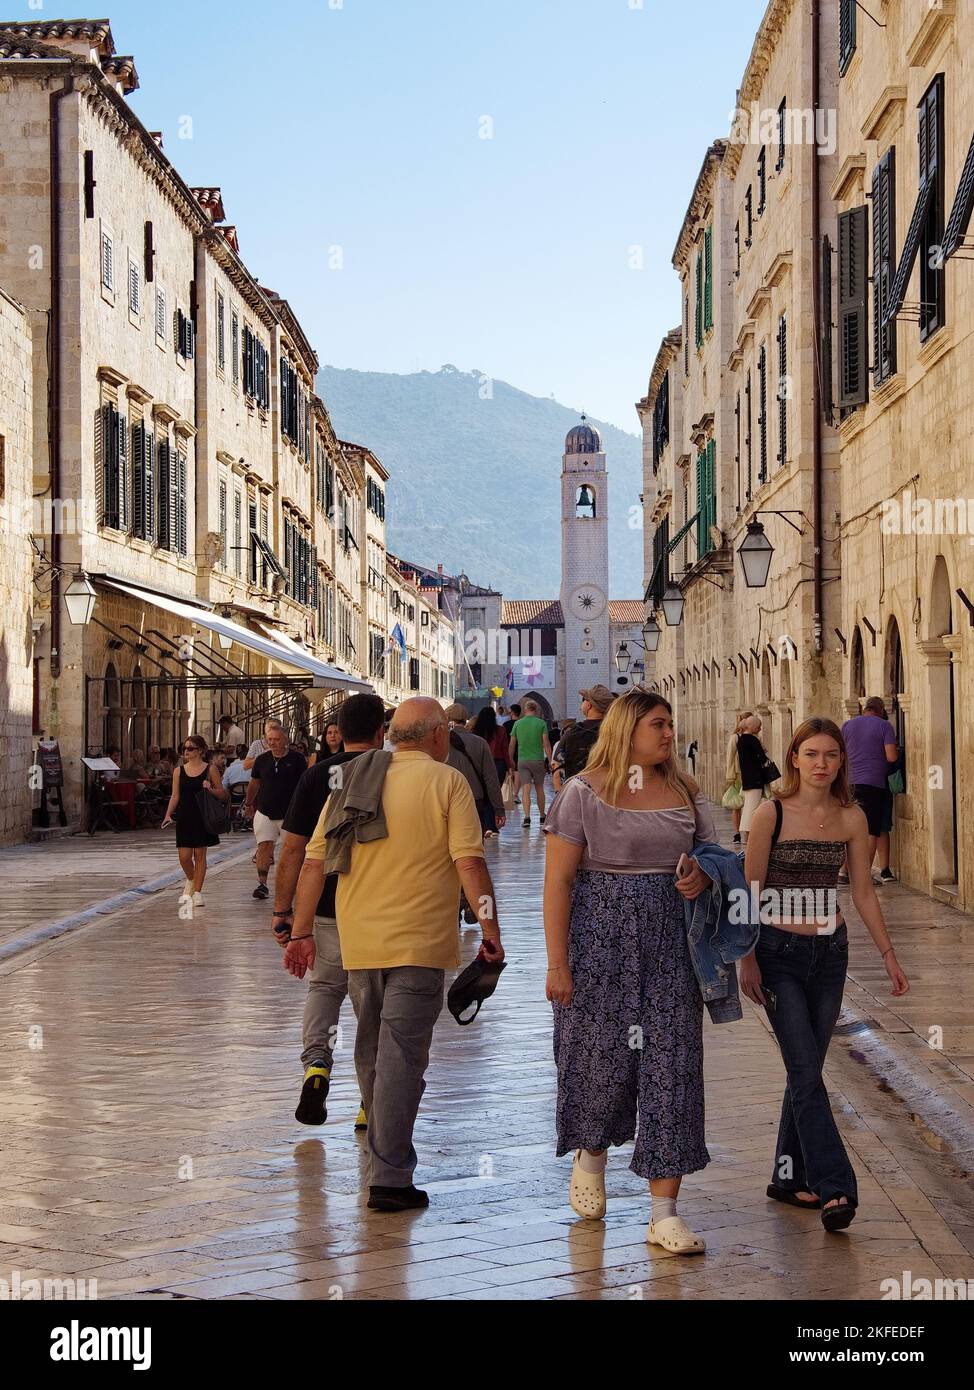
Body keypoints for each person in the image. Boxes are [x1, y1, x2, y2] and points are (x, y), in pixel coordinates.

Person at [286, 697, 504, 1211]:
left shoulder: (351, 778)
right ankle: (390, 1177)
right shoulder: (447, 782)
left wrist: (299, 931)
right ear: (435, 736)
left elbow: (314, 863)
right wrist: (491, 929)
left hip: (358, 939)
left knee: (372, 1046)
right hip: (419, 940)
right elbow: (469, 864)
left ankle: (383, 1155)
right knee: (402, 1055)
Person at [543, 689, 715, 1253]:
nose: (668, 734)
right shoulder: (583, 793)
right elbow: (559, 881)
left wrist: (702, 876)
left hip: (672, 944)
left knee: (674, 1068)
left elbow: (719, 857)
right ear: (626, 731)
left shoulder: (686, 793)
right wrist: (558, 962)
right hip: (598, 942)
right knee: (600, 1060)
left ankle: (665, 1211)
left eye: (670, 723)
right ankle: (592, 1153)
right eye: (658, 725)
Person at [740, 718, 909, 1232]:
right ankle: (836, 1186)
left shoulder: (852, 818)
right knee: (807, 1071)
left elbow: (862, 891)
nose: (821, 763)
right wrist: (746, 956)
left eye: (830, 755)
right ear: (794, 758)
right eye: (811, 754)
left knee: (806, 1066)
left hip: (830, 952)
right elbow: (747, 890)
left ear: (841, 762)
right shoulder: (770, 813)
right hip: (777, 953)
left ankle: (787, 1178)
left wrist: (888, 955)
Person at [273, 693, 386, 1130]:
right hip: (372, 905)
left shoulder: (318, 775)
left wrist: (283, 912)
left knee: (323, 987)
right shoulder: (389, 776)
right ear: (380, 732)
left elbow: (294, 849)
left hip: (322, 905)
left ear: (339, 730)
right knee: (369, 1004)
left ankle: (317, 1064)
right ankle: (367, 1102)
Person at [162, 733, 228, 907]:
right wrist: (168, 814)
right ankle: (191, 879)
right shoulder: (178, 771)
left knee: (200, 854)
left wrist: (210, 789)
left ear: (200, 751)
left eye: (190, 748)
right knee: (184, 856)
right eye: (184, 748)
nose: (186, 752)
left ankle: (197, 892)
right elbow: (175, 796)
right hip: (185, 816)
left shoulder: (210, 769)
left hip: (202, 815)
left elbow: (222, 794)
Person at [839, 697, 899, 884]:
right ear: (881, 710)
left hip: (849, 783)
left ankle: (843, 872)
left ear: (864, 709)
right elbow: (891, 756)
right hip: (873, 783)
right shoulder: (884, 726)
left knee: (849, 829)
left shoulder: (847, 726)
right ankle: (863, 876)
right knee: (871, 830)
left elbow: (839, 753)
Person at [244, 727, 307, 900]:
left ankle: (292, 883)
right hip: (265, 811)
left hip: (290, 813)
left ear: (285, 740)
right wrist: (248, 803)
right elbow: (254, 783)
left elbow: (303, 785)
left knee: (291, 850)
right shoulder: (262, 760)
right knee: (263, 846)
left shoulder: (297, 759)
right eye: (269, 739)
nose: (272, 742)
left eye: (276, 739)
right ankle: (262, 883)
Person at [445, 703, 506, 838]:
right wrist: (499, 809)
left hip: (448, 799)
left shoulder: (441, 742)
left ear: (448, 719)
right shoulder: (480, 743)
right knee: (474, 844)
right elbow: (491, 779)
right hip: (475, 799)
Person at [557, 685, 615, 782]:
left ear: (589, 705)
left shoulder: (572, 732)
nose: (582, 703)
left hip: (578, 787)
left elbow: (556, 763)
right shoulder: (614, 731)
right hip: (607, 786)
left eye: (584, 700)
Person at [510, 698, 553, 826]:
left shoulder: (517, 724)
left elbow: (512, 744)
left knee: (526, 789)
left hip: (522, 761)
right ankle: (541, 816)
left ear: (525, 709)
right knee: (540, 788)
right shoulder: (541, 724)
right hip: (538, 760)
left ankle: (527, 817)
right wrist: (550, 760)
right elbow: (546, 744)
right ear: (536, 710)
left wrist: (510, 760)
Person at [737, 715, 772, 844]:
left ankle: (746, 833)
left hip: (747, 777)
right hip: (755, 778)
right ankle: (749, 833)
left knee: (748, 806)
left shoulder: (741, 740)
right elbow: (762, 758)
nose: (760, 728)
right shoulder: (752, 740)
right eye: (758, 726)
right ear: (752, 727)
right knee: (752, 806)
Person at [724, 712, 752, 844]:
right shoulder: (735, 738)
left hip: (750, 774)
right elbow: (730, 757)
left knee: (750, 805)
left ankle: (748, 831)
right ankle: (737, 833)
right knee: (737, 805)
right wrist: (730, 777)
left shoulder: (753, 736)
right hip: (738, 774)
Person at [472, 706, 512, 799]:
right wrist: (509, 766)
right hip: (498, 764)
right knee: (495, 792)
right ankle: (494, 811)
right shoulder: (500, 730)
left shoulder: (475, 731)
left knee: (482, 791)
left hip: (480, 763)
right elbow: (505, 749)